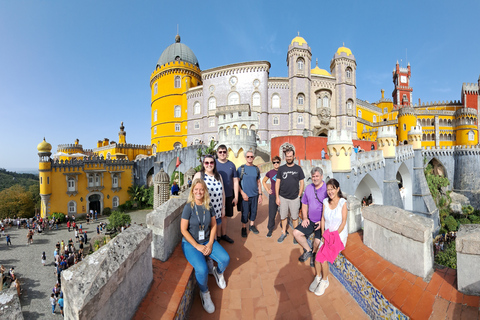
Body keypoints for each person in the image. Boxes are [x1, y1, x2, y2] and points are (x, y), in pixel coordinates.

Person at [180, 178, 230, 314]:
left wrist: (209, 243)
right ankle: (205, 293)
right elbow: (183, 229)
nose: (199, 192)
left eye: (201, 189)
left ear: (205, 191)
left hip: (207, 241)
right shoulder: (188, 207)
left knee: (225, 259)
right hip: (191, 244)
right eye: (196, 189)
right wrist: (197, 245)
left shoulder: (209, 206)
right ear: (192, 191)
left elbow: (214, 225)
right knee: (201, 269)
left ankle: (218, 272)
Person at [310, 178, 348, 296]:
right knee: (317, 257)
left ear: (337, 189)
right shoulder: (326, 201)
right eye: (328, 189)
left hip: (338, 236)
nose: (330, 191)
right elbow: (322, 219)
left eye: (332, 189)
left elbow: (343, 222)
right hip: (326, 235)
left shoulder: (342, 203)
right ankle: (318, 277)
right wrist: (322, 233)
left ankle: (325, 281)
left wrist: (333, 236)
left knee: (323, 259)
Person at [293, 167, 328, 267]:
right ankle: (308, 250)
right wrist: (304, 218)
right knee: (296, 233)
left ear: (322, 176)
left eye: (317, 176)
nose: (315, 178)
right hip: (310, 220)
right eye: (313, 176)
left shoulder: (326, 189)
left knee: (317, 241)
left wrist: (323, 222)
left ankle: (313, 255)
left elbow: (331, 207)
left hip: (322, 222)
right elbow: (304, 204)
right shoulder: (309, 188)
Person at [276, 148, 305, 243]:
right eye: (287, 156)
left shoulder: (298, 169)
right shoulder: (281, 168)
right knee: (283, 216)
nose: (289, 158)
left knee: (295, 217)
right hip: (283, 197)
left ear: (293, 156)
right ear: (285, 157)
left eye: (290, 156)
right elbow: (278, 183)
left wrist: (299, 195)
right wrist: (277, 197)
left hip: (294, 198)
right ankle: (283, 232)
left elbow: (302, 182)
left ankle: (295, 235)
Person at [193, 154, 226, 239]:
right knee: (207, 233)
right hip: (205, 210)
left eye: (211, 162)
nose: (209, 165)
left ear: (214, 164)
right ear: (203, 164)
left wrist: (223, 207)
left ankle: (214, 245)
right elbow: (193, 192)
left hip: (217, 210)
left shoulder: (218, 176)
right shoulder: (199, 175)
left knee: (214, 230)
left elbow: (223, 193)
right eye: (206, 163)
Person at [215, 144, 239, 244]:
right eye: (220, 152)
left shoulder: (231, 165)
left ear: (227, 153)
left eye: (224, 152)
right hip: (215, 195)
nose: (222, 154)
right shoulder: (213, 163)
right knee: (215, 216)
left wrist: (236, 197)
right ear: (217, 153)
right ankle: (216, 236)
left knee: (224, 216)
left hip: (228, 194)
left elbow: (235, 181)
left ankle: (223, 234)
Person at [238, 150, 263, 237]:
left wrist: (260, 195)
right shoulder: (241, 168)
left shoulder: (256, 169)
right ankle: (243, 227)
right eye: (248, 156)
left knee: (254, 211)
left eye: (251, 157)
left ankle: (252, 225)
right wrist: (242, 193)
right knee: (245, 212)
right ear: (245, 157)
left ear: (253, 158)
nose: (250, 158)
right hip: (245, 196)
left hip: (255, 195)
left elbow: (258, 182)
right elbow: (236, 183)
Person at [262, 156, 281, 238]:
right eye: (274, 162)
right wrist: (267, 190)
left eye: (277, 162)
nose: (276, 164)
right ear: (272, 163)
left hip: (282, 195)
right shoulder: (270, 172)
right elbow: (264, 181)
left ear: (280, 162)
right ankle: (270, 229)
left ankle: (284, 228)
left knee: (283, 213)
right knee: (272, 212)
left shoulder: (283, 171)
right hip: (273, 195)